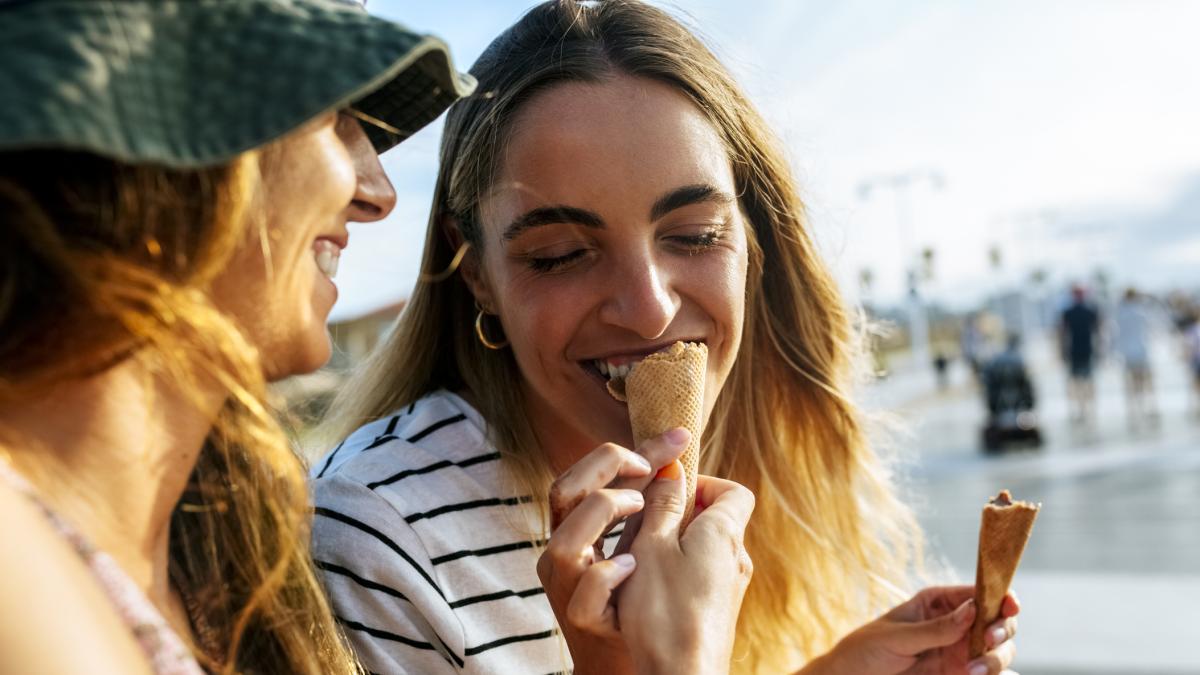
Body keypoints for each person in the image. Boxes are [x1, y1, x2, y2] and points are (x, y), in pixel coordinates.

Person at [312, 2, 1020, 674]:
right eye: (560, 253)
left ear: (752, 238)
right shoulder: (378, 532)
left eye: (694, 236)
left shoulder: (757, 470)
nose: (650, 310)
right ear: (477, 274)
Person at [0, 0, 473, 672]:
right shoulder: (18, 576)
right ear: (157, 110)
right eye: (337, 115)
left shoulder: (225, 555)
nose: (379, 191)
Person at [1113, 287, 1160, 428]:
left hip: (1127, 352)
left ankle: (1133, 410)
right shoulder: (1141, 312)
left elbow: (1117, 334)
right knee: (1145, 381)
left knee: (1131, 382)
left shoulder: (1120, 313)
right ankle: (1148, 407)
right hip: (1141, 351)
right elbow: (1152, 329)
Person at [1059, 284, 1102, 423]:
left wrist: (1061, 352)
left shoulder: (1074, 311)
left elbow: (1098, 332)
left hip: (1081, 350)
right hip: (1079, 350)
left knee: (1082, 382)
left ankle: (1085, 410)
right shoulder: (1082, 311)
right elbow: (1063, 333)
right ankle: (1085, 410)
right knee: (1081, 382)